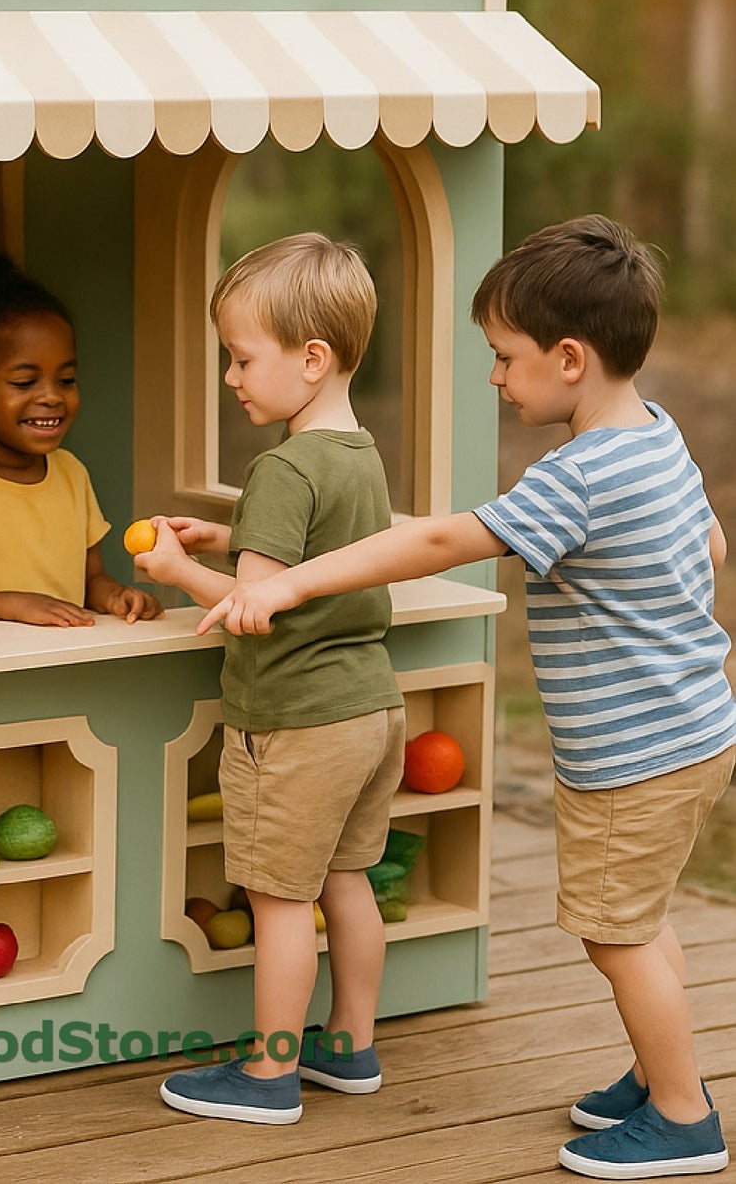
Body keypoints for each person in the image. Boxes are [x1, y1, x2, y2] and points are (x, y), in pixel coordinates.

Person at [201, 216, 734, 1179]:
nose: (494, 377)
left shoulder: (574, 474)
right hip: (696, 724)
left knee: (615, 934)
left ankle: (683, 1114)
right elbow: (709, 548)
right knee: (643, 920)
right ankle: (657, 1071)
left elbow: (446, 541)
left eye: (503, 357)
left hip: (633, 753)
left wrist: (285, 580)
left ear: (567, 358)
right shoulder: (656, 435)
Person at [135, 232, 405, 1125]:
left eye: (242, 357)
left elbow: (256, 604)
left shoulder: (282, 465)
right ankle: (350, 1046)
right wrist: (232, 533)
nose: (230, 376)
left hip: (294, 723)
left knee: (279, 899)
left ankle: (266, 1074)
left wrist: (180, 574)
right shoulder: (355, 452)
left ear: (311, 358)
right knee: (346, 879)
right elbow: (313, 553)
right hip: (369, 711)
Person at [0, 254, 162, 626]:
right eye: (24, 382)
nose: (52, 396)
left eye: (66, 379)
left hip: (65, 666)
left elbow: (90, 581)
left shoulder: (72, 473)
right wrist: (17, 606)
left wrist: (117, 596)